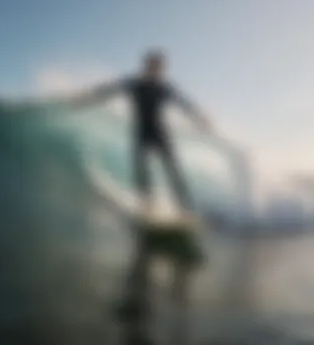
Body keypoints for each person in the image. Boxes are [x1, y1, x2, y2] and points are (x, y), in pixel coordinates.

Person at [71, 49, 212, 222]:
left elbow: (184, 103)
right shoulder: (135, 84)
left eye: (160, 67)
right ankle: (147, 207)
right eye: (154, 66)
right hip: (141, 132)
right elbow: (108, 91)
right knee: (142, 171)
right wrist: (85, 99)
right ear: (147, 66)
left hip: (160, 132)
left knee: (173, 170)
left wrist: (199, 118)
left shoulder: (164, 88)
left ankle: (185, 209)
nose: (157, 70)